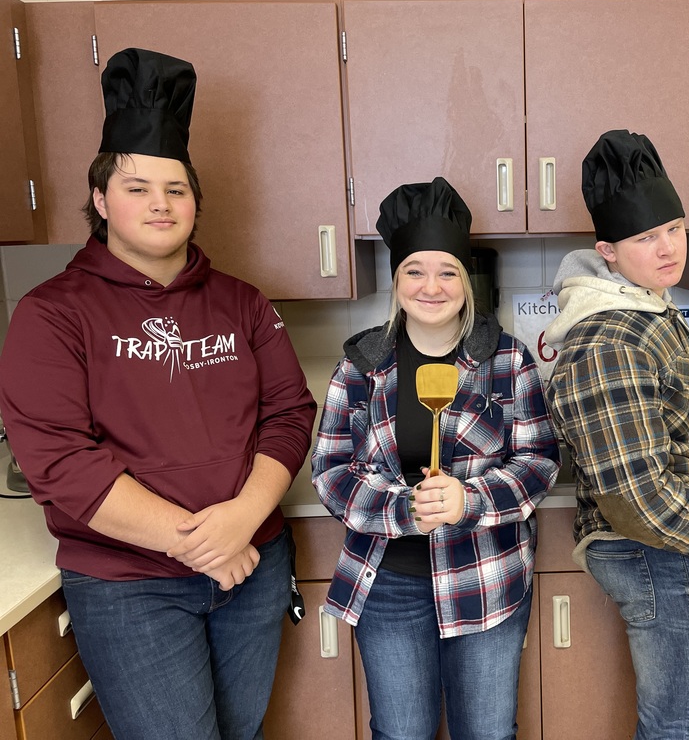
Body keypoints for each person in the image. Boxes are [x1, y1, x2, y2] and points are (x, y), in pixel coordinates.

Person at [0, 48, 317, 740]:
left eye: (175, 189)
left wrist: (242, 519)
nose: (160, 204)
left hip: (253, 570)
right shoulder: (50, 314)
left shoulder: (241, 303)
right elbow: (60, 461)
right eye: (137, 187)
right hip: (128, 586)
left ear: (196, 202)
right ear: (100, 199)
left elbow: (289, 414)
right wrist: (200, 541)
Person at [311, 176, 559, 740]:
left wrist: (467, 500)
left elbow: (539, 461)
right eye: (414, 272)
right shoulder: (361, 366)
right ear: (396, 281)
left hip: (486, 577)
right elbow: (329, 472)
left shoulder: (506, 360)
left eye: (447, 271)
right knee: (400, 735)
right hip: (388, 586)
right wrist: (405, 511)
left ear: (466, 281)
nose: (432, 286)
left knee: (488, 733)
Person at [544, 129, 689, 740]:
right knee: (675, 727)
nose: (668, 248)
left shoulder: (650, 310)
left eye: (674, 229)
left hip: (675, 543)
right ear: (607, 251)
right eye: (646, 237)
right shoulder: (609, 339)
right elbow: (639, 498)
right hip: (656, 551)